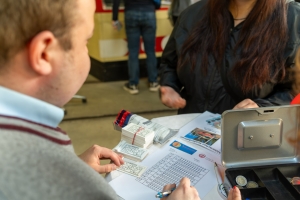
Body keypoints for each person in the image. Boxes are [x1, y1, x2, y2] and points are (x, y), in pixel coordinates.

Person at [0, 0, 199, 199]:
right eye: (85, 41)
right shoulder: (30, 163)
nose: (87, 51)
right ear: (44, 54)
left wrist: (74, 167)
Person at [159, 0, 300, 114]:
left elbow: (294, 88)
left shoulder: (291, 20)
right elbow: (170, 62)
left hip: (248, 136)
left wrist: (262, 107)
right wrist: (170, 84)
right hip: (192, 133)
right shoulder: (193, 15)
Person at [112, 0, 160, 95]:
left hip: (131, 12)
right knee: (150, 50)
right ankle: (153, 82)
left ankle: (133, 84)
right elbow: (158, 2)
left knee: (133, 51)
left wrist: (115, 18)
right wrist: (154, 6)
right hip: (149, 12)